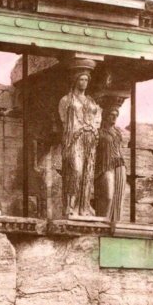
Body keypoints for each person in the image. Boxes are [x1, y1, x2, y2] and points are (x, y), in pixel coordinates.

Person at [58, 65, 101, 216]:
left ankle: (84, 205)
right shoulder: (66, 100)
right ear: (75, 81)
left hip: (90, 138)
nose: (84, 82)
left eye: (86, 80)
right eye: (81, 79)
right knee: (76, 170)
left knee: (87, 172)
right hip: (74, 138)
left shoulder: (91, 101)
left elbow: (97, 119)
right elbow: (64, 120)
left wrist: (93, 129)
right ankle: (70, 205)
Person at [94, 106, 125, 222]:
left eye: (116, 115)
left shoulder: (118, 133)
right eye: (111, 115)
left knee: (118, 198)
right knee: (108, 196)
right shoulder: (99, 132)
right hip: (105, 165)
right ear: (105, 116)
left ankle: (114, 222)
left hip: (119, 165)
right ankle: (102, 220)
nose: (114, 117)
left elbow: (119, 149)